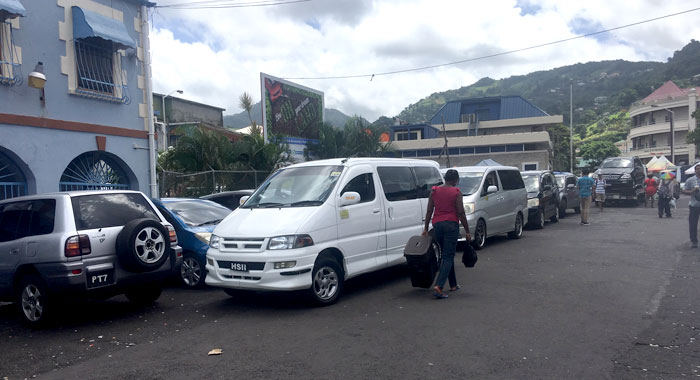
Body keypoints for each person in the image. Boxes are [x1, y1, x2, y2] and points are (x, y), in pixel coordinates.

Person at [422, 169, 471, 299]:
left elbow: (429, 211)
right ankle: (439, 286)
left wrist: (426, 228)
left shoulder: (434, 191)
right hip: (451, 225)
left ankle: (453, 284)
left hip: (437, 225)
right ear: (455, 180)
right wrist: (467, 230)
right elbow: (460, 212)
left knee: (446, 254)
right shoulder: (456, 192)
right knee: (449, 256)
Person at [682, 164, 700, 247]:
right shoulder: (690, 180)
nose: (699, 170)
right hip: (694, 205)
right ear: (695, 170)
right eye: (697, 169)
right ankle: (693, 241)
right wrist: (692, 191)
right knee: (693, 224)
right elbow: (684, 190)